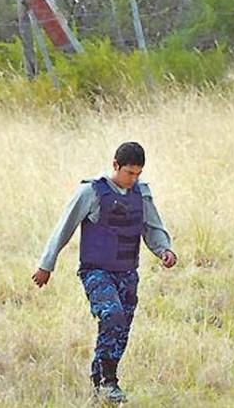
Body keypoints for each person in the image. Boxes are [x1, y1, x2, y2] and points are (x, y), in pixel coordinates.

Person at [32, 142, 178, 404]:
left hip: (127, 272)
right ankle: (107, 382)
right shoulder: (91, 191)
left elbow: (152, 227)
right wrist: (46, 265)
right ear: (115, 165)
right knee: (112, 314)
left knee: (122, 328)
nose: (133, 179)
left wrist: (164, 250)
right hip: (96, 271)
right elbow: (64, 227)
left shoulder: (141, 193)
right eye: (129, 173)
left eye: (138, 174)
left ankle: (101, 377)